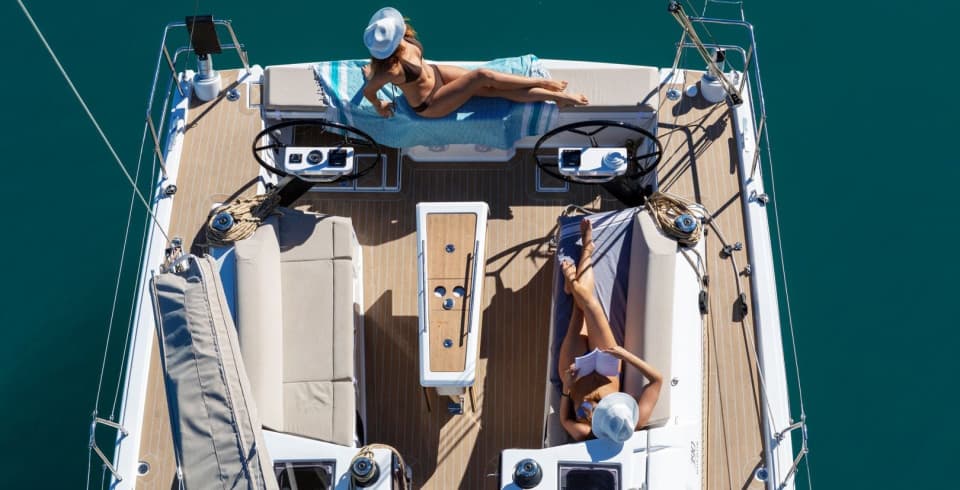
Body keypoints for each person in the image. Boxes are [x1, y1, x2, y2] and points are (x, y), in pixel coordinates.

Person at [361, 7, 589, 119]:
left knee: (491, 87)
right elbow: (369, 91)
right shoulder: (390, 70)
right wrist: (380, 106)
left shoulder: (404, 38)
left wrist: (373, 74)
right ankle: (549, 90)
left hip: (437, 76)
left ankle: (550, 92)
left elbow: (375, 78)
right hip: (431, 103)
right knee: (484, 77)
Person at [557, 219, 663, 442]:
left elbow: (565, 421)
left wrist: (567, 387)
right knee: (590, 305)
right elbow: (657, 380)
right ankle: (578, 271)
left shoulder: (586, 432)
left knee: (578, 310)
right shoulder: (632, 423)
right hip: (607, 364)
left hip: (575, 375)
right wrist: (624, 355)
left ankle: (575, 281)